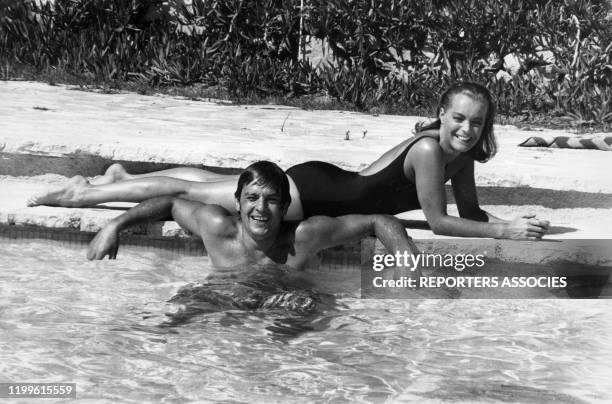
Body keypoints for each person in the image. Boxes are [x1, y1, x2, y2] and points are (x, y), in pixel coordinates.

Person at [32, 82, 549, 240]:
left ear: (486, 126)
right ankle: (83, 194)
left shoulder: (462, 155)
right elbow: (437, 221)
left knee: (212, 182)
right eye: (458, 118)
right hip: (313, 193)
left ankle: (124, 177)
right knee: (197, 195)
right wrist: (505, 236)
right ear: (442, 114)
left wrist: (513, 224)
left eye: (475, 123)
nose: (466, 129)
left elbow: (471, 214)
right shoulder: (434, 149)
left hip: (329, 180)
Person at [87, 161, 420, 275]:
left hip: (289, 306)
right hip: (224, 300)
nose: (261, 208)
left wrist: (407, 259)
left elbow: (378, 221)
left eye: (272, 200)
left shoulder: (304, 237)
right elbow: (171, 203)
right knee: (171, 324)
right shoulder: (217, 229)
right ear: (238, 202)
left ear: (285, 205)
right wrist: (115, 225)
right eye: (252, 198)